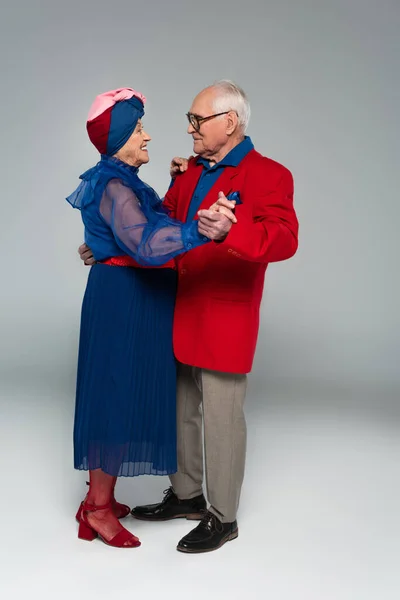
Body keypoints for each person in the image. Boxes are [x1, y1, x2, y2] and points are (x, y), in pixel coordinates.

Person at [79, 80, 299, 553]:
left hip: (223, 316)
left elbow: (284, 239)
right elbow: (162, 227)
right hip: (174, 312)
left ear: (230, 123)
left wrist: (229, 234)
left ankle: (223, 517)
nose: (189, 128)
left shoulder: (270, 175)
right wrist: (111, 246)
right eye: (190, 119)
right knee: (179, 413)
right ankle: (187, 496)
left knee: (221, 420)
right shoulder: (189, 172)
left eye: (197, 121)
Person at [67, 87, 236, 549]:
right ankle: (98, 510)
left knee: (117, 390)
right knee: (114, 396)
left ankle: (98, 498)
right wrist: (203, 229)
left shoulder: (122, 181)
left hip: (131, 298)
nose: (147, 136)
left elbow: (139, 228)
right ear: (119, 137)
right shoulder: (117, 185)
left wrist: (104, 244)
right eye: (138, 129)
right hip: (124, 302)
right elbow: (146, 243)